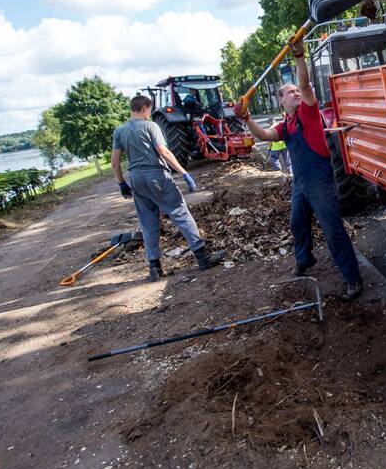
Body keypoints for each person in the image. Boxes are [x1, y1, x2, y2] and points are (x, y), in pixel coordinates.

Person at [234, 38, 362, 300]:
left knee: (332, 229)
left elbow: (304, 84)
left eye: (295, 91)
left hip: (319, 181)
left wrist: (299, 56)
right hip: (301, 182)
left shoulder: (309, 112)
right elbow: (264, 134)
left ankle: (352, 279)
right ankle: (305, 259)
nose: (295, 93)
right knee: (297, 223)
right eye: (289, 92)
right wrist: (247, 119)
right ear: (281, 100)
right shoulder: (285, 125)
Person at [111, 95, 225, 281]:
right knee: (180, 213)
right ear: (146, 107)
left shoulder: (120, 131)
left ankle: (154, 268)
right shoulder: (151, 126)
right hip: (156, 176)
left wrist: (122, 183)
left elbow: (114, 162)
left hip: (137, 179)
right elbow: (163, 151)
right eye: (150, 109)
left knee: (148, 223)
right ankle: (202, 257)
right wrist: (184, 173)